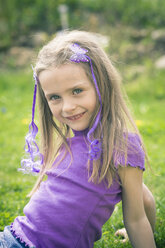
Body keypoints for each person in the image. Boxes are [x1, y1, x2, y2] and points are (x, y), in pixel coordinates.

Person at [0, 30, 156, 248]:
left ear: (101, 84)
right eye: (55, 97)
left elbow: (139, 212)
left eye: (77, 91)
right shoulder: (68, 143)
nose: (67, 107)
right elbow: (145, 198)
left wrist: (137, 232)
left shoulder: (122, 146)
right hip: (13, 239)